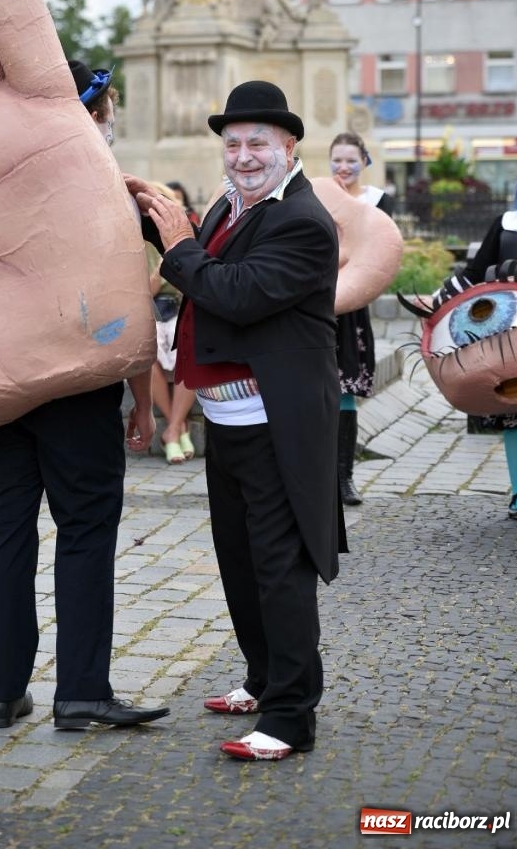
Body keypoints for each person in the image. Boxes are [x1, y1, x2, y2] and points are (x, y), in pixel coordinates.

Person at [129, 80, 342, 763]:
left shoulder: (302, 220)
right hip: (225, 418)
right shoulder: (233, 202)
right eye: (233, 144)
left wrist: (176, 240)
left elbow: (236, 292)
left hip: (276, 421)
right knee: (241, 561)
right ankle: (262, 679)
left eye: (257, 144)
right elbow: (198, 254)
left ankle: (290, 718)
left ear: (289, 147)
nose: (243, 156)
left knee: (280, 568)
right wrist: (147, 211)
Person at [0, 59, 169, 732]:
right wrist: (142, 399)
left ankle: (1, 691)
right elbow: (125, 304)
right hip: (79, 387)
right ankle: (81, 690)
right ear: (98, 114)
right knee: (85, 531)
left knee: (5, 530)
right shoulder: (107, 192)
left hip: (4, 382)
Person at [329, 132, 394, 505]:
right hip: (315, 303)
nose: (344, 167)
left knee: (345, 392)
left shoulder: (376, 202)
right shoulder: (317, 196)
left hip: (351, 308)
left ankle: (344, 478)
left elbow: (378, 253)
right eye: (337, 159)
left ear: (364, 162)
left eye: (351, 160)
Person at [463, 161, 517, 519]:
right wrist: (442, 299)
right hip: (510, 335)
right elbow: (474, 273)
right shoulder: (505, 223)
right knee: (516, 411)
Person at [144, 186, 195, 464]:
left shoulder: (185, 238)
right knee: (147, 358)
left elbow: (193, 287)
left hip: (180, 311)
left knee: (191, 352)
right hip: (153, 313)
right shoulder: (142, 246)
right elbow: (145, 294)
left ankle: (172, 430)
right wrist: (160, 269)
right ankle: (179, 428)